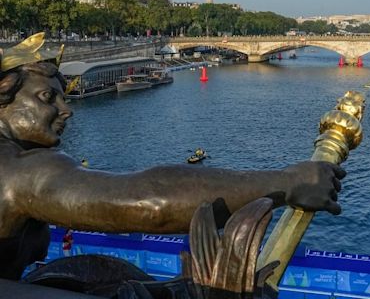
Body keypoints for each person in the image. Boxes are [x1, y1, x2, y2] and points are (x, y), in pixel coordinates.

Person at [0, 49, 345, 280]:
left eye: (63, 95)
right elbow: (151, 204)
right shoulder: (17, 169)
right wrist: (289, 182)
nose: (66, 108)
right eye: (47, 97)